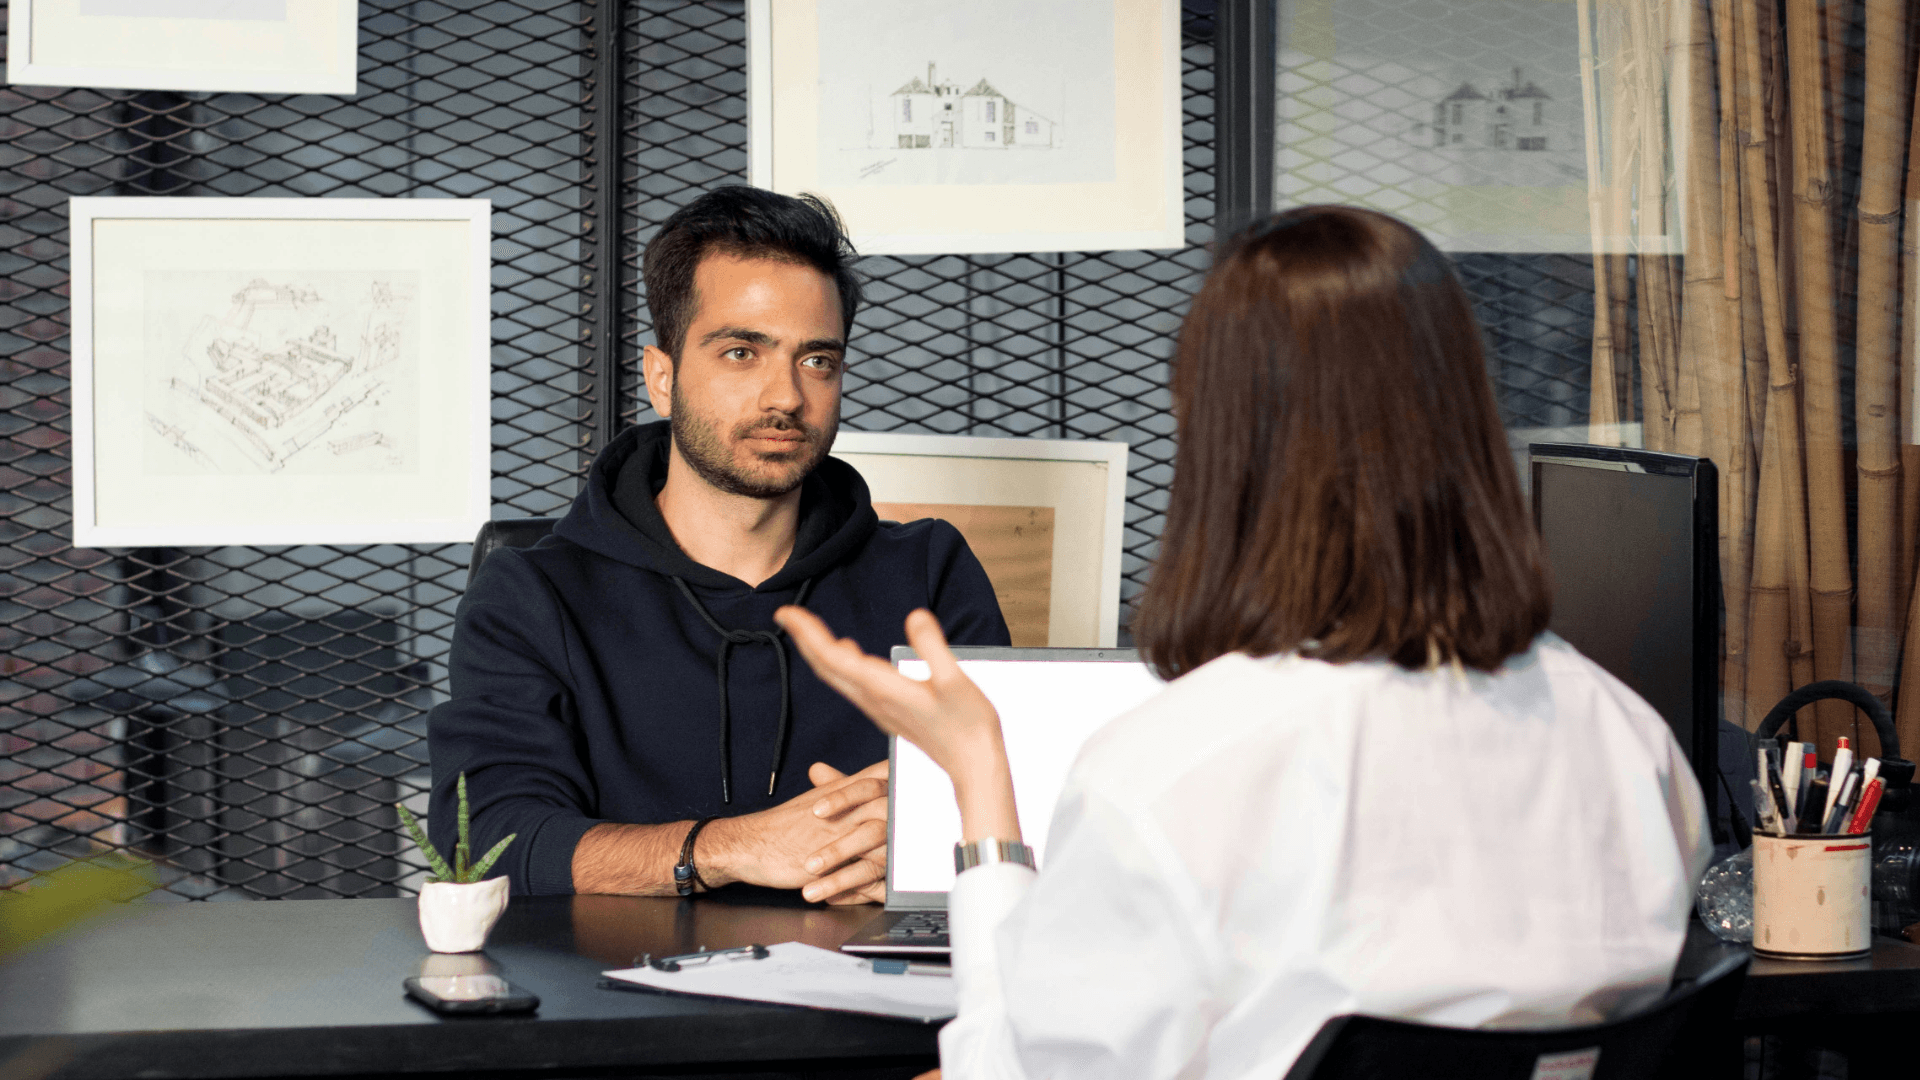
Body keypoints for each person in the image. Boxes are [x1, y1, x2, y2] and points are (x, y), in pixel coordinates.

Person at [778, 206, 1709, 1077]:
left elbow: (1022, 1067)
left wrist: (978, 776)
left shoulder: (1179, 770)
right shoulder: (1628, 738)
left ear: (1222, 444)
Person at [428, 186, 1010, 902]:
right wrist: (732, 848)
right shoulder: (533, 595)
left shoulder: (928, 573)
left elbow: (1011, 807)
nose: (787, 397)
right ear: (662, 377)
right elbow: (486, 842)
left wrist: (915, 844)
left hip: (875, 991)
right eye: (742, 352)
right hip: (615, 996)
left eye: (817, 361)